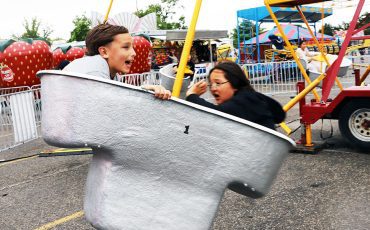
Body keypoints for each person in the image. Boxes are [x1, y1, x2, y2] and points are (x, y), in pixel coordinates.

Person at [64, 23, 171, 100]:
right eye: (126, 47)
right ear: (104, 52)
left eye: (132, 47)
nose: (134, 53)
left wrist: (146, 90)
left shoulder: (108, 72)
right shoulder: (94, 71)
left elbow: (119, 96)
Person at [185, 61, 285, 130]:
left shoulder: (245, 100)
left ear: (235, 83)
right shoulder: (253, 97)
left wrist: (192, 96)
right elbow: (279, 114)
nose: (213, 88)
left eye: (218, 83)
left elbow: (215, 113)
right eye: (211, 84)